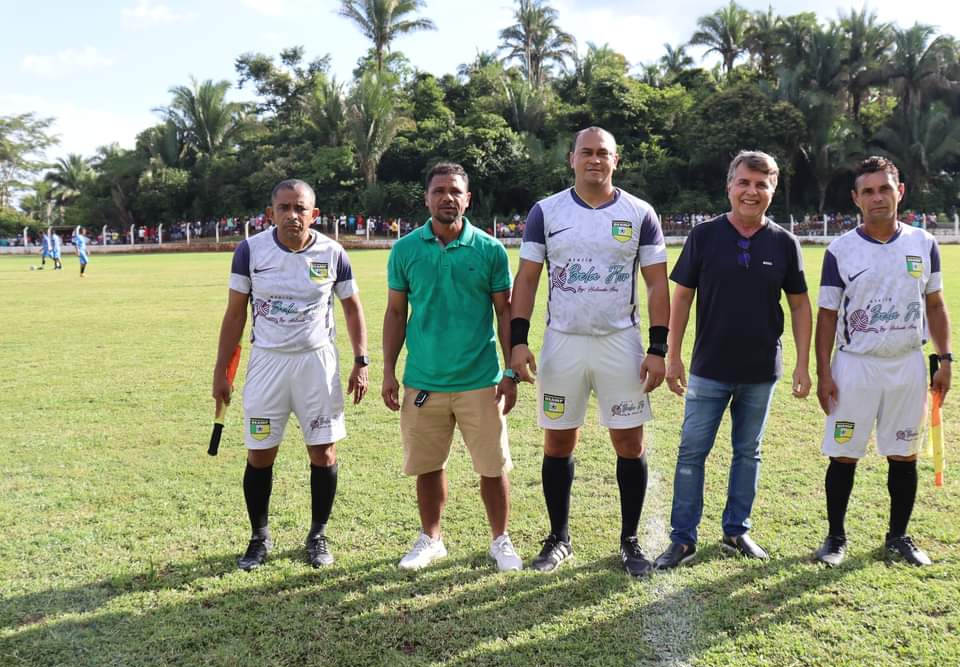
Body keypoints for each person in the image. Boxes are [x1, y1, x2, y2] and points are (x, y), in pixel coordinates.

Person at [510, 126, 670, 577]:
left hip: (620, 342)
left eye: (604, 153)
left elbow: (657, 283)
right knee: (559, 439)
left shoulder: (640, 213)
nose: (595, 160)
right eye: (587, 152)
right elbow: (526, 278)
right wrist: (518, 341)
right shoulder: (546, 211)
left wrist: (658, 347)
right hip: (563, 341)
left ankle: (630, 540)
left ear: (616, 160)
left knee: (629, 440)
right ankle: (558, 537)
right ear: (572, 158)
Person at [654, 151, 813, 570]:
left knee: (749, 452)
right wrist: (673, 356)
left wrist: (802, 364)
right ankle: (682, 539)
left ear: (773, 190)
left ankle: (736, 531)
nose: (751, 191)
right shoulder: (704, 236)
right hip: (709, 368)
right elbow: (682, 298)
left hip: (761, 371)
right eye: (744, 182)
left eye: (762, 184)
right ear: (729, 186)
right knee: (692, 452)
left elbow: (799, 306)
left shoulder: (784, 243)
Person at [212, 179, 369, 571]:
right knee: (260, 452)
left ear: (314, 214)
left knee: (324, 451)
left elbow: (352, 307)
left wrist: (361, 360)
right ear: (271, 213)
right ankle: (259, 537)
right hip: (268, 363)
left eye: (300, 208)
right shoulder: (250, 251)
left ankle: (318, 536)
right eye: (283, 208)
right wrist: (221, 370)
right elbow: (234, 314)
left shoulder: (333, 253)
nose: (292, 215)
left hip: (317, 364)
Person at [382, 162, 523, 572]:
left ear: (468, 199)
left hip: (481, 380)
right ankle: (431, 538)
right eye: (439, 191)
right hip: (424, 379)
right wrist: (389, 370)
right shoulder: (405, 249)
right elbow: (395, 313)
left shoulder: (490, 249)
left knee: (493, 467)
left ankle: (501, 541)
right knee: (427, 465)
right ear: (426, 198)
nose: (447, 198)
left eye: (455, 191)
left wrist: (510, 373)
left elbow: (505, 314)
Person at [813, 156, 953, 568]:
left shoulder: (924, 244)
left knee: (904, 453)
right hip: (855, 366)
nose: (878, 197)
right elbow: (826, 316)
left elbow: (936, 303)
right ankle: (835, 538)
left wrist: (945, 357)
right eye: (869, 191)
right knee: (843, 454)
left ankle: (899, 537)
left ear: (900, 191)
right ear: (856, 199)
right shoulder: (840, 250)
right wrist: (824, 373)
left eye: (885, 189)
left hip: (907, 365)